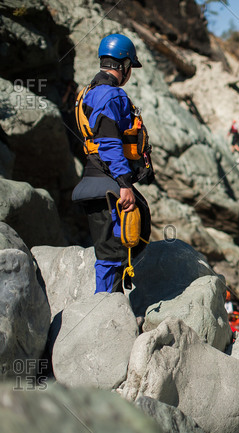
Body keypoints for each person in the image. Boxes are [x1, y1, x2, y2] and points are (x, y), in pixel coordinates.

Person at [72, 33, 154, 294]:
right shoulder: (111, 96)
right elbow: (108, 142)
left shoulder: (89, 93)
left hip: (94, 180)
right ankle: (105, 314)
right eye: (131, 67)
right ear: (124, 65)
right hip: (109, 184)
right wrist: (124, 184)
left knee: (115, 249)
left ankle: (110, 308)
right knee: (114, 252)